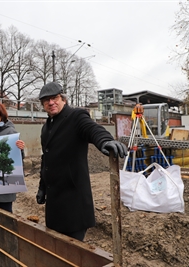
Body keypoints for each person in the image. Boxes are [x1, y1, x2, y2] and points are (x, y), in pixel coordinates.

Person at [36, 82, 127, 242]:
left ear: (63, 98)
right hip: (54, 203)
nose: (51, 103)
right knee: (57, 248)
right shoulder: (46, 128)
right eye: (46, 100)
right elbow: (46, 159)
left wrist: (105, 141)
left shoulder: (76, 116)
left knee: (73, 252)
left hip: (73, 202)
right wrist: (42, 187)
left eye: (54, 98)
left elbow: (92, 129)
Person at [0, 102, 25, 212]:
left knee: (5, 215)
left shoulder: (10, 132)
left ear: (1, 115)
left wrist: (20, 149)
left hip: (5, 185)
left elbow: (19, 158)